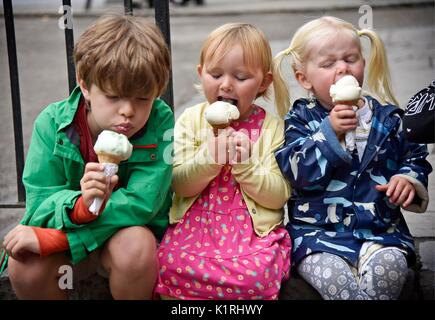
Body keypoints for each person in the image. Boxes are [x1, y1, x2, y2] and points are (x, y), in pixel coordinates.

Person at [0, 14, 173, 300]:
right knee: (24, 265)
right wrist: (77, 207)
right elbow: (40, 202)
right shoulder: (53, 124)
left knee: (136, 247)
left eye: (142, 98)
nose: (128, 111)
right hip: (67, 250)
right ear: (85, 85)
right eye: (114, 97)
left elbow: (144, 204)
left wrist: (63, 237)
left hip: (121, 239)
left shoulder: (159, 121)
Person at [273, 16, 432, 300]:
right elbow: (295, 171)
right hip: (317, 237)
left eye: (351, 58)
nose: (343, 68)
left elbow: (415, 155)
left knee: (391, 268)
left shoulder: (388, 118)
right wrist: (328, 133)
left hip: (382, 232)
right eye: (328, 64)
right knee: (335, 280)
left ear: (364, 62)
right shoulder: (300, 120)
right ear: (303, 78)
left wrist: (407, 179)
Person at [154, 23, 292, 300]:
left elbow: (278, 197)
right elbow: (179, 184)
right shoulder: (191, 120)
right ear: (200, 73)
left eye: (241, 77)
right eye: (215, 74)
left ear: (263, 83)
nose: (226, 84)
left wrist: (246, 165)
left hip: (250, 235)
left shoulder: (271, 128)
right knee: (167, 263)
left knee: (256, 275)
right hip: (195, 230)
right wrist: (209, 158)